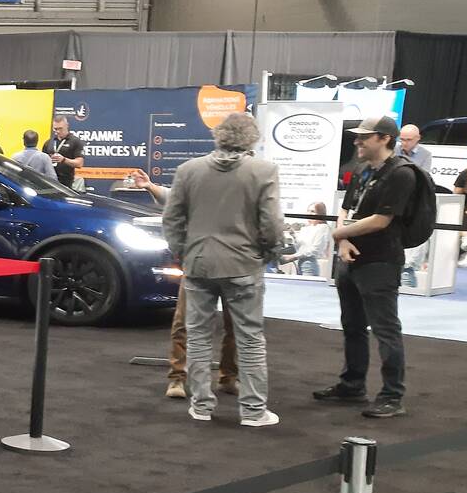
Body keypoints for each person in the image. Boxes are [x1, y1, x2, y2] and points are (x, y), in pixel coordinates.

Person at [161, 112, 281, 427]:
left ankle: (201, 406)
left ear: (218, 136)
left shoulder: (188, 171)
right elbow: (271, 224)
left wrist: (182, 253)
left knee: (199, 337)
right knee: (250, 338)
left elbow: (172, 219)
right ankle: (254, 411)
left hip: (198, 265)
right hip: (243, 265)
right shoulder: (264, 171)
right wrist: (267, 252)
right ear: (252, 139)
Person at [315, 115, 413, 418]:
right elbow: (346, 209)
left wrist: (339, 234)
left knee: (385, 330)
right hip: (352, 260)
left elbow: (382, 220)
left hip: (381, 262)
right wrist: (343, 241)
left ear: (384, 138)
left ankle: (392, 396)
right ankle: (352, 384)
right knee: (353, 325)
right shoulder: (361, 171)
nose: (357, 141)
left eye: (364, 137)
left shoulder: (401, 174)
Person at [133, 167, 238, 399]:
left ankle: (228, 377)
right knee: (183, 323)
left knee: (234, 325)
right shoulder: (199, 187)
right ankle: (177, 378)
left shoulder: (241, 191)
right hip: (198, 265)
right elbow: (172, 198)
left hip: (232, 266)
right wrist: (150, 186)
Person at [42, 115, 86, 188]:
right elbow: (42, 161)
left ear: (67, 126)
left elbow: (79, 163)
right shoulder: (49, 142)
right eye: (55, 129)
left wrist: (63, 160)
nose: (58, 131)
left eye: (60, 128)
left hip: (66, 182)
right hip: (49, 182)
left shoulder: (75, 141)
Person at [292, 201, 333, 276]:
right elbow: (299, 248)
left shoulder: (323, 227)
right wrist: (294, 236)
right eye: (308, 211)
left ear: (320, 213)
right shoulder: (304, 228)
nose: (309, 213)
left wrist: (293, 256)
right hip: (299, 262)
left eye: (313, 211)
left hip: (309, 264)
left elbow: (316, 249)